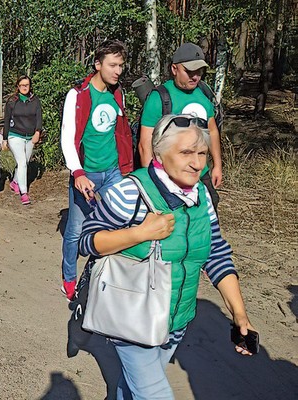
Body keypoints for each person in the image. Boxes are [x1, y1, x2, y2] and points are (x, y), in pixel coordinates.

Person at [78, 114, 256, 399]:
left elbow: (217, 254)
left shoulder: (202, 196)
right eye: (186, 152)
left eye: (202, 153)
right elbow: (87, 242)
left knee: (133, 387)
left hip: (176, 320)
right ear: (159, 151)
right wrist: (139, 233)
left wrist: (239, 313)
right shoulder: (129, 192)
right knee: (154, 393)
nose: (197, 163)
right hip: (131, 318)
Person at [59, 39, 133, 301]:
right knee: (76, 231)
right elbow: (67, 138)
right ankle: (69, 278)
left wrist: (127, 167)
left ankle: (107, 278)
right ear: (98, 64)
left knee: (119, 224)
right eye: (113, 65)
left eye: (121, 65)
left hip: (113, 171)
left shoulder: (117, 94)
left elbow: (120, 134)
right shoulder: (77, 95)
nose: (118, 71)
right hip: (86, 174)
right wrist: (77, 173)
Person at [139, 42, 222, 208]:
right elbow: (145, 144)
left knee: (206, 220)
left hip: (200, 173)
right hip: (169, 175)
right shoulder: (159, 98)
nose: (195, 77)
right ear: (174, 69)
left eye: (199, 71)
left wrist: (217, 166)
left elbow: (212, 131)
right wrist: (151, 181)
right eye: (189, 71)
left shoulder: (204, 94)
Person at [3, 75, 42, 205]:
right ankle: (24, 193)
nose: (25, 87)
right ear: (18, 87)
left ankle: (15, 182)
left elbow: (38, 117)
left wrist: (38, 132)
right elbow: (6, 120)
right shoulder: (12, 101)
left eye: (27, 85)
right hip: (15, 135)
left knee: (24, 162)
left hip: (30, 136)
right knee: (22, 163)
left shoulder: (35, 100)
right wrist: (4, 139)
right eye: (22, 85)